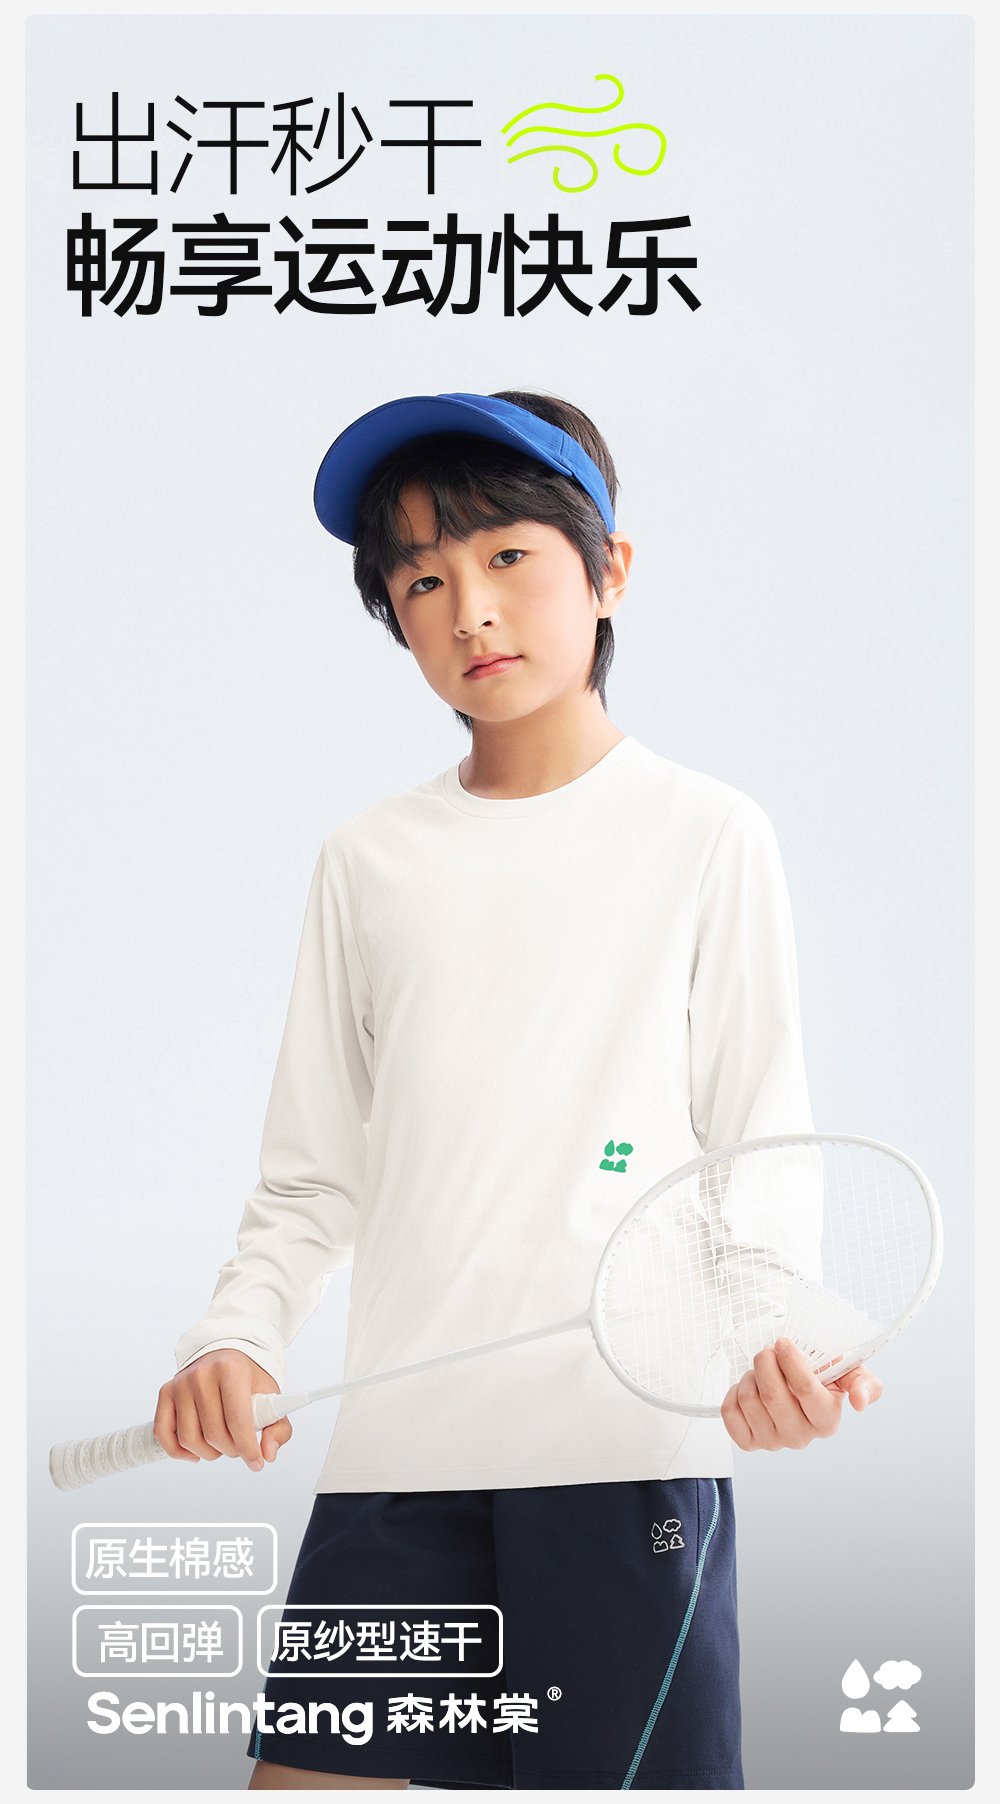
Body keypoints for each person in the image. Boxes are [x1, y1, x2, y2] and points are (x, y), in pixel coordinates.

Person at [155, 390, 882, 1790]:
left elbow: (755, 1142)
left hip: (624, 1461)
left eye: (506, 557)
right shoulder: (368, 860)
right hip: (397, 1467)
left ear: (610, 571)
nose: (470, 609)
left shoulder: (707, 834)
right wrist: (234, 1336)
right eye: (422, 579)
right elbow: (312, 1169)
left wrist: (775, 1339)